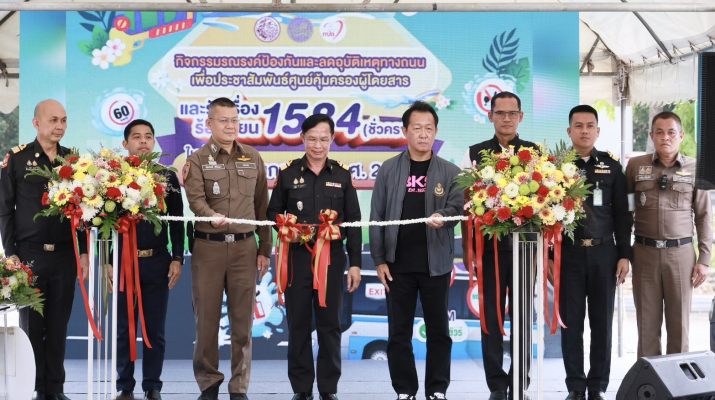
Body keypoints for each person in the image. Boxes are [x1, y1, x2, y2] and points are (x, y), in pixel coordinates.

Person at [370, 101, 463, 400]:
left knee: (439, 332)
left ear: (435, 132)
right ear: (405, 132)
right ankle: (405, 390)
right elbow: (376, 217)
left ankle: (437, 390)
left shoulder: (451, 171)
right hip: (397, 266)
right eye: (417, 128)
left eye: (429, 128)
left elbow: (457, 209)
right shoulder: (389, 169)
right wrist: (379, 260)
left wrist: (443, 216)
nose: (423, 134)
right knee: (399, 334)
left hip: (436, 265)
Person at [267, 114, 362, 400]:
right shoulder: (288, 174)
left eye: (323, 139)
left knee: (330, 325)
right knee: (298, 325)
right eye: (312, 139)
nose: (317, 145)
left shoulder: (342, 175)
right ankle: (301, 389)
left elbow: (354, 223)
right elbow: (272, 212)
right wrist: (287, 226)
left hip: (332, 260)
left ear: (332, 140)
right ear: (302, 139)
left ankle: (328, 389)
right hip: (297, 260)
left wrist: (355, 264)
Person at [183, 97, 272, 400]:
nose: (230, 126)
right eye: (223, 120)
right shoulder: (197, 160)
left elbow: (262, 206)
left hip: (245, 249)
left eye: (234, 120)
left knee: (243, 324)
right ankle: (209, 383)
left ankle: (239, 387)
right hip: (208, 248)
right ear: (209, 123)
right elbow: (195, 200)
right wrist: (211, 216)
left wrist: (265, 248)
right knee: (206, 323)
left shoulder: (253, 157)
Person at [0, 99, 86, 400]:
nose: (59, 126)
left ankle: (56, 388)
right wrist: (11, 253)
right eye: (53, 120)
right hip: (29, 255)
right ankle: (36, 388)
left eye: (64, 120)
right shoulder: (18, 158)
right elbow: (5, 210)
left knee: (59, 325)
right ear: (36, 123)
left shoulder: (74, 160)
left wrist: (84, 253)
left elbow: (83, 211)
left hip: (64, 254)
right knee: (33, 325)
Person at [465, 91, 537, 400]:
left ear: (521, 116)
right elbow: (467, 205)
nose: (506, 118)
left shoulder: (535, 153)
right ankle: (496, 385)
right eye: (500, 113)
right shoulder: (475, 153)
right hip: (489, 250)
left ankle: (520, 383)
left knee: (522, 318)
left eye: (512, 113)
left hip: (524, 250)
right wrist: (469, 250)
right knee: (491, 318)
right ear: (490, 116)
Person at [625, 111, 712, 357]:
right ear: (651, 135)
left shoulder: (696, 167)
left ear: (681, 136)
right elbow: (626, 212)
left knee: (679, 327)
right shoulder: (635, 166)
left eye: (671, 132)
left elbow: (704, 216)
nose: (665, 137)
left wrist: (704, 260)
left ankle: (677, 380)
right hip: (645, 254)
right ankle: (649, 380)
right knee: (647, 326)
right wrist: (623, 253)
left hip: (681, 255)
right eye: (660, 132)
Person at [559, 105, 631, 400]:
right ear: (569, 131)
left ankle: (598, 386)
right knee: (571, 324)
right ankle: (576, 387)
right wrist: (548, 258)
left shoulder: (612, 167)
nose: (584, 131)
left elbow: (623, 215)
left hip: (604, 254)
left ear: (598, 131)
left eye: (590, 126)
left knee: (602, 324)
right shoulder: (554, 167)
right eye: (578, 126)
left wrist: (625, 254)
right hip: (569, 255)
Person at [113, 119, 185, 400]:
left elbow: (177, 222)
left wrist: (177, 258)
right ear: (125, 143)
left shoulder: (167, 177)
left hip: (157, 262)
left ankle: (152, 386)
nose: (143, 141)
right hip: (123, 263)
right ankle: (125, 387)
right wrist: (108, 261)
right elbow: (105, 223)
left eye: (148, 136)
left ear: (154, 142)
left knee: (154, 329)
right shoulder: (112, 177)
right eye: (136, 137)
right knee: (124, 329)